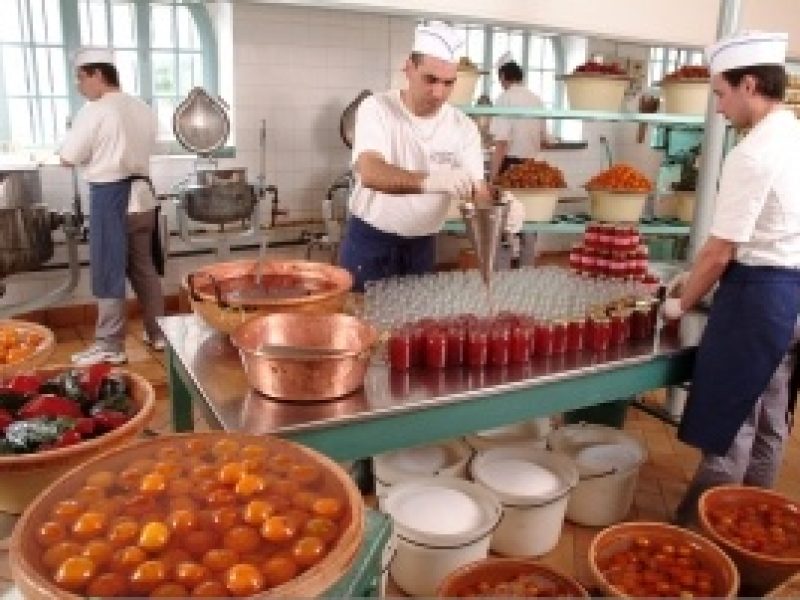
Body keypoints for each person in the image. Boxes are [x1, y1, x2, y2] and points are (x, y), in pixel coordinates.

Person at [663, 31, 800, 524]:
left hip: (756, 298)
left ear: (748, 85)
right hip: (790, 297)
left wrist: (678, 304)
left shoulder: (753, 152)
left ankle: (698, 532)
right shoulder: (794, 134)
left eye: (720, 94)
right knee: (769, 419)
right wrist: (694, 272)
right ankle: (753, 522)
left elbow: (722, 252)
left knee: (728, 424)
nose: (718, 109)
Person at [339, 21, 493, 292]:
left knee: (413, 328)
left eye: (449, 83)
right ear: (408, 68)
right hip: (370, 241)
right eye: (430, 79)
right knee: (362, 324)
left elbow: (478, 191)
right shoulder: (376, 109)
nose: (439, 93)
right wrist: (433, 182)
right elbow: (371, 172)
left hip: (422, 244)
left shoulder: (463, 128)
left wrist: (494, 211)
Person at [60, 47, 166, 366]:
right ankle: (159, 333)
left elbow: (68, 157)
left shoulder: (96, 109)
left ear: (97, 75)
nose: (79, 86)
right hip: (144, 197)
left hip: (111, 196)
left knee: (109, 269)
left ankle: (109, 344)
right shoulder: (142, 108)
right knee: (144, 267)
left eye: (81, 78)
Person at [488, 52, 549, 181]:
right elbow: (544, 141)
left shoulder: (505, 98)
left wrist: (492, 179)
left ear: (503, 76)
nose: (501, 83)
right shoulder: (536, 99)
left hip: (511, 167)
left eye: (500, 79)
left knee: (509, 201)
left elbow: (502, 143)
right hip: (534, 167)